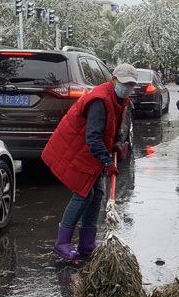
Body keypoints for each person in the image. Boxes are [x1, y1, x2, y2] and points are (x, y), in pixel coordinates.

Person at [42, 63, 137, 260]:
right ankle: (62, 243)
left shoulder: (118, 99)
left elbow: (113, 128)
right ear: (113, 80)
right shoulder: (100, 100)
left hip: (89, 152)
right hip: (77, 150)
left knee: (97, 193)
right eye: (124, 83)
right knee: (83, 194)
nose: (127, 87)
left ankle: (87, 243)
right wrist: (107, 162)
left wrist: (118, 143)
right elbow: (93, 137)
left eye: (131, 85)